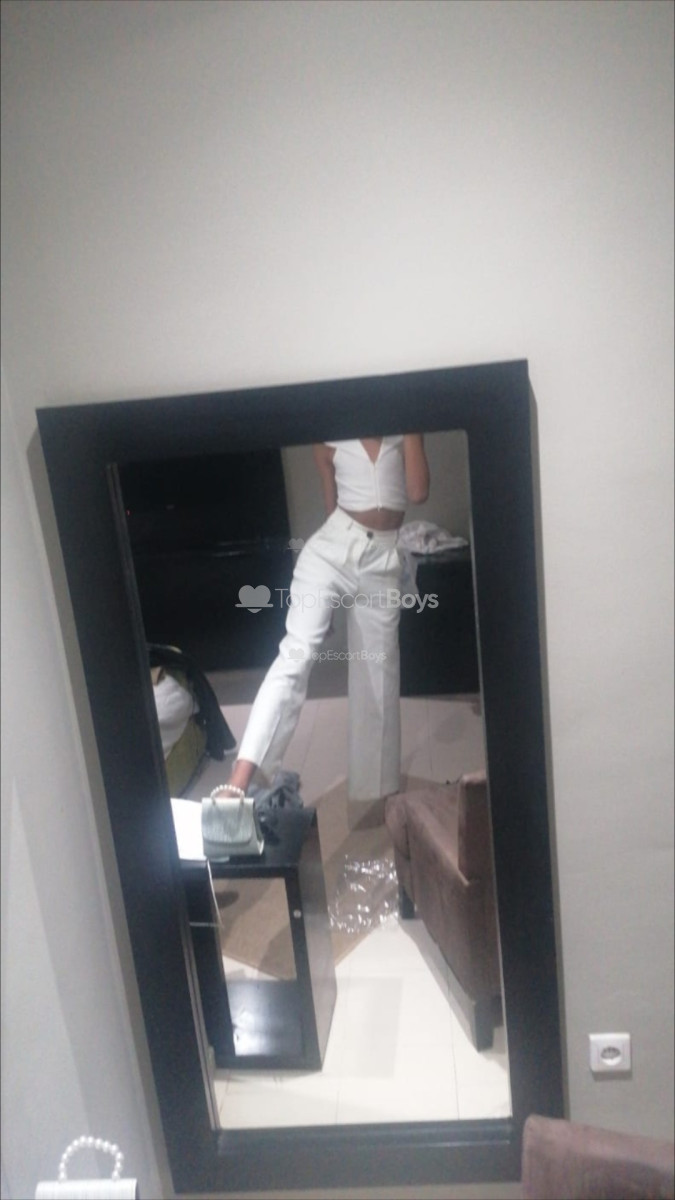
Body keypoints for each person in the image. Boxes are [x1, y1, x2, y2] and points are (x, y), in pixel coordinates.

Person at [223, 435, 430, 817]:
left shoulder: (402, 428)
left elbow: (418, 492)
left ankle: (377, 797)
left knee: (379, 675)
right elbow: (331, 505)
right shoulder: (327, 438)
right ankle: (238, 783)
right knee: (296, 655)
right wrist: (330, 599)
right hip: (330, 552)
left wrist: (412, 429)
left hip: (382, 561)